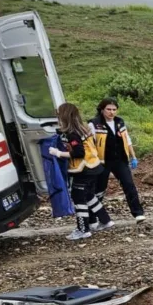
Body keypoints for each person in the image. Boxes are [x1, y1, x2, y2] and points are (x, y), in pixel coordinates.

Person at [48, 102, 113, 240]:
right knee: (89, 195)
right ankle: (105, 220)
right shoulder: (83, 129)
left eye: (59, 115)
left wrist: (58, 153)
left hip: (83, 170)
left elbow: (79, 153)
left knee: (78, 198)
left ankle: (83, 229)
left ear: (64, 116)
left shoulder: (72, 134)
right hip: (94, 167)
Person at [89, 97, 145, 223]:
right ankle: (92, 217)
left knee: (129, 184)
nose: (111, 112)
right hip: (102, 161)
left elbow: (127, 139)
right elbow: (90, 144)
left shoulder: (120, 122)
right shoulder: (94, 124)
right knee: (99, 189)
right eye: (108, 109)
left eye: (114, 109)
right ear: (102, 109)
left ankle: (138, 213)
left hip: (120, 160)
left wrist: (133, 156)